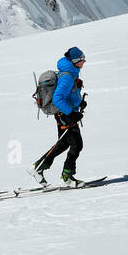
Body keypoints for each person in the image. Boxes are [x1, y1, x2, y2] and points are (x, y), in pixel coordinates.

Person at [29, 47, 88, 185]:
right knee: (77, 144)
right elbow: (58, 99)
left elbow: (70, 95)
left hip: (65, 114)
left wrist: (80, 102)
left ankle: (37, 167)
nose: (84, 61)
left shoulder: (70, 74)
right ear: (75, 61)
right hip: (65, 115)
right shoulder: (67, 76)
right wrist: (71, 113)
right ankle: (67, 176)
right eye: (82, 59)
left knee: (63, 144)